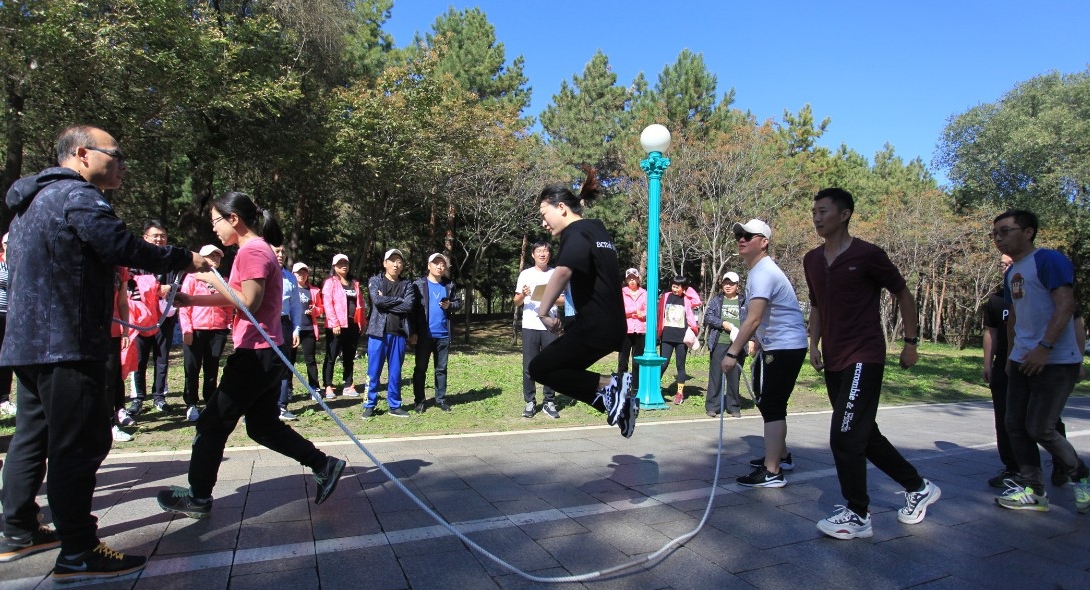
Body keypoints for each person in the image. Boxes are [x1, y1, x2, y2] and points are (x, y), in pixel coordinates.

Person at [0, 125, 207, 580]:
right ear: (81, 154)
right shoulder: (78, 196)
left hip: (27, 344)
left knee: (31, 437)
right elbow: (122, 246)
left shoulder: (28, 205)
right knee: (79, 443)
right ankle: (78, 549)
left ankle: (18, 530)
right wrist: (183, 258)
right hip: (68, 343)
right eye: (115, 154)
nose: (121, 164)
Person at [157, 191, 347, 520]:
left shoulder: (252, 251)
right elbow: (244, 299)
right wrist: (191, 301)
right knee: (263, 428)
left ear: (234, 219)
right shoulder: (253, 251)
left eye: (216, 221)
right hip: (265, 353)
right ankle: (324, 464)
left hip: (257, 355)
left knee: (211, 424)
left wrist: (210, 279)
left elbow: (251, 301)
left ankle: (198, 497)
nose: (214, 229)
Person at [804, 188, 940, 539]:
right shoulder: (812, 260)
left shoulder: (868, 255)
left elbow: (903, 294)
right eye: (814, 212)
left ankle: (857, 513)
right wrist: (813, 343)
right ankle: (918, 486)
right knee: (864, 433)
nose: (817, 217)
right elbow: (817, 305)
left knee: (845, 436)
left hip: (864, 354)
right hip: (834, 358)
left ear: (845, 214)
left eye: (823, 211)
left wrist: (910, 342)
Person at [990, 209, 1089, 513]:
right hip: (1021, 359)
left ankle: (1081, 477)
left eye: (1005, 231)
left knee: (1040, 428)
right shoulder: (1011, 273)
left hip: (1056, 360)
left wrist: (1045, 347)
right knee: (1014, 425)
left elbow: (1066, 305)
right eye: (995, 234)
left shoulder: (1049, 260)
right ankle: (1035, 492)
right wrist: (1010, 356)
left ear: (1028, 231)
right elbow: (1013, 318)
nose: (998, 238)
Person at [528, 168, 637, 437]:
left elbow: (563, 271)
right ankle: (613, 400)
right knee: (560, 369)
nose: (544, 223)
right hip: (608, 327)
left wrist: (543, 311)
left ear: (561, 208)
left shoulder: (575, 232)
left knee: (539, 368)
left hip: (595, 327)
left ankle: (613, 384)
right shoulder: (596, 231)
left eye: (544, 215)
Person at [721, 219, 807, 489]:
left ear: (764, 241)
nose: (741, 239)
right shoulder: (759, 270)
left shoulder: (763, 272)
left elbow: (754, 319)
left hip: (786, 346)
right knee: (769, 402)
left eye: (748, 235)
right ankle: (781, 456)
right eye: (738, 235)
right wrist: (757, 343)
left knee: (772, 405)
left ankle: (772, 472)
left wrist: (732, 353)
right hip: (778, 345)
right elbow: (764, 318)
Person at [983, 254, 1069, 488]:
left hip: (1039, 362)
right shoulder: (997, 300)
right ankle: (1015, 469)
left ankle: (1065, 464)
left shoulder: (1041, 296)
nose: (1008, 268)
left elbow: (1072, 318)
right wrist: (988, 364)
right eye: (1004, 265)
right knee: (1007, 419)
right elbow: (991, 332)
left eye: (1011, 263)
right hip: (1007, 364)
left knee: (1044, 420)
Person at [128, 220, 181, 414]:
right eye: (155, 235)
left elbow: (181, 283)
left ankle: (160, 397)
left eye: (163, 236)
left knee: (162, 358)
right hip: (141, 318)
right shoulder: (136, 258)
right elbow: (130, 283)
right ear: (146, 237)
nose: (159, 239)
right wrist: (155, 287)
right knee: (139, 360)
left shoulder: (171, 259)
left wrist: (172, 288)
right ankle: (137, 398)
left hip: (164, 317)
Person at [178, 245, 233, 422]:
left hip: (217, 330)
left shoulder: (223, 279)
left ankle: (210, 401)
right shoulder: (193, 277)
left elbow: (228, 305)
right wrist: (187, 329)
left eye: (217, 256)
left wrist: (228, 324)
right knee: (192, 367)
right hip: (196, 329)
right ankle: (191, 403)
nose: (214, 259)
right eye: (211, 256)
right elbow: (184, 306)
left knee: (212, 368)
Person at [363, 249, 414, 418]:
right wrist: (397, 300)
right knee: (373, 371)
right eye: (392, 260)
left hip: (398, 333)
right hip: (377, 333)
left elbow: (408, 306)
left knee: (395, 372)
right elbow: (376, 301)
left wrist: (388, 301)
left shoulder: (407, 285)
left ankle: (395, 405)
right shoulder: (375, 281)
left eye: (399, 261)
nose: (396, 264)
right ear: (384, 263)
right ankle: (369, 404)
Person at [514, 241, 562, 419]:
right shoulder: (525, 274)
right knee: (529, 365)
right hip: (530, 325)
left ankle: (549, 401)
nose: (543, 254)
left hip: (550, 325)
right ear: (533, 255)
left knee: (551, 364)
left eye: (546, 251)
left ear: (550, 255)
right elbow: (517, 302)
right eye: (539, 251)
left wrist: (549, 297)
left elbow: (564, 300)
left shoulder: (556, 274)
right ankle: (530, 402)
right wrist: (524, 295)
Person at [410, 253, 462, 413]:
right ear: (428, 266)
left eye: (442, 264)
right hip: (424, 334)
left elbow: (457, 303)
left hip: (443, 335)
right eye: (436, 263)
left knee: (441, 369)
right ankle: (419, 401)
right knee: (420, 369)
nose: (440, 266)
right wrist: (412, 332)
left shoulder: (449, 284)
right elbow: (411, 310)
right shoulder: (418, 284)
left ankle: (441, 399)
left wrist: (449, 306)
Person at [321, 254, 365, 399]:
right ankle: (328, 386)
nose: (343, 265)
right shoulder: (330, 282)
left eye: (345, 263)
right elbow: (327, 303)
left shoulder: (354, 282)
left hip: (352, 324)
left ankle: (348, 384)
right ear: (334, 266)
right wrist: (334, 323)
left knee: (349, 356)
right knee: (331, 356)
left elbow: (361, 304)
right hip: (337, 325)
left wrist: (362, 322)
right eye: (340, 263)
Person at [705, 271, 745, 418]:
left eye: (731, 283)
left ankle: (733, 406)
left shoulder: (744, 302)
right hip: (719, 342)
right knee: (716, 375)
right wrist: (722, 323)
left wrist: (752, 340)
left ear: (737, 285)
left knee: (734, 376)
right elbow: (708, 317)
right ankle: (712, 406)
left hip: (738, 344)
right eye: (725, 283)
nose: (728, 286)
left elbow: (751, 322)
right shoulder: (717, 300)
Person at [658, 276, 699, 405]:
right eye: (673, 286)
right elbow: (659, 311)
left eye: (678, 287)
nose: (675, 289)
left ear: (683, 288)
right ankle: (655, 387)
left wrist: (688, 291)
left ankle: (679, 393)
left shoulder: (687, 299)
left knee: (680, 365)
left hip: (682, 338)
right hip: (667, 336)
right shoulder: (666, 296)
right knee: (663, 364)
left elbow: (697, 301)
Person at [273, 245, 302, 421]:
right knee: (262, 365)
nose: (281, 255)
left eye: (283, 252)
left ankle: (281, 406)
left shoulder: (290, 277)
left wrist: (296, 329)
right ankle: (257, 409)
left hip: (283, 322)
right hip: (264, 322)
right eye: (277, 251)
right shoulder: (262, 274)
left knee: (283, 365)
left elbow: (296, 306)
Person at [108, 266, 134, 441]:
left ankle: (112, 422)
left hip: (113, 331)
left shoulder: (120, 270)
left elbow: (123, 302)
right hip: (87, 333)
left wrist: (125, 331)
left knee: (113, 377)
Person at [293, 262, 324, 398]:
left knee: (310, 360)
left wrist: (314, 311)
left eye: (304, 272)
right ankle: (287, 389)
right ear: (293, 274)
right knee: (289, 359)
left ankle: (314, 388)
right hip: (292, 329)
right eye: (299, 272)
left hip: (308, 328)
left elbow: (320, 309)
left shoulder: (313, 290)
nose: (302, 275)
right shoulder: (289, 289)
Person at [618, 268, 647, 392]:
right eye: (629, 278)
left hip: (640, 330)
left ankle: (635, 388)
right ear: (626, 280)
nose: (632, 280)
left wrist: (642, 314)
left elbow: (648, 311)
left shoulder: (645, 293)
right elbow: (619, 310)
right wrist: (634, 312)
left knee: (637, 360)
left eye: (634, 278)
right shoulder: (621, 293)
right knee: (623, 360)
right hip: (625, 330)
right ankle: (622, 387)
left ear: (638, 279)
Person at [0, 233, 14, 416]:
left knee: (6, 358)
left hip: (11, 317)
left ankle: (3, 398)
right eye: (6, 243)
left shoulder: (18, 263)